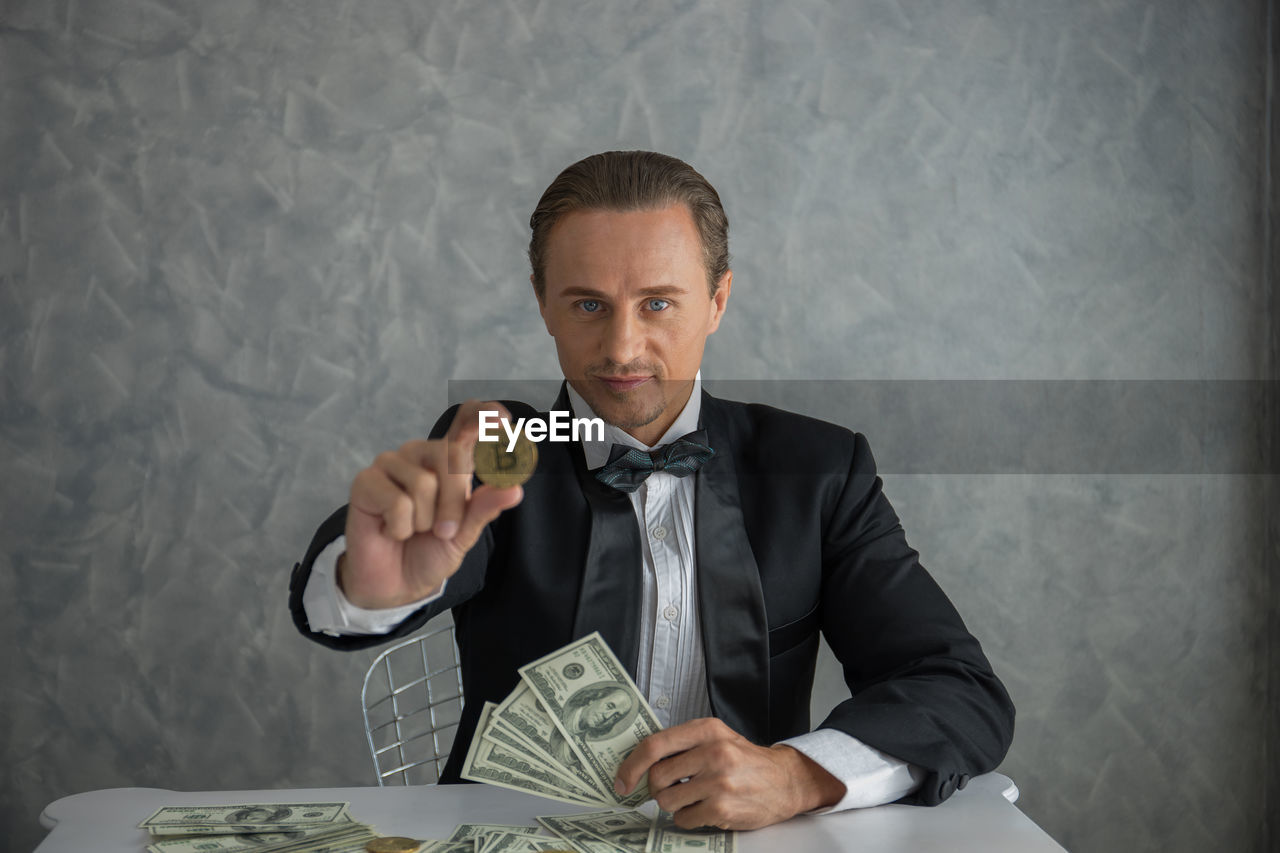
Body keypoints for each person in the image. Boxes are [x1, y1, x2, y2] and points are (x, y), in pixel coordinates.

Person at [289, 150, 1015, 831]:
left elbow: (958, 688)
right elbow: (347, 593)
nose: (622, 349)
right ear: (543, 303)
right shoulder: (500, 443)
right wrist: (365, 583)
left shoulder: (818, 467)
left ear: (718, 299)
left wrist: (797, 774)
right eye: (588, 305)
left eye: (659, 304)